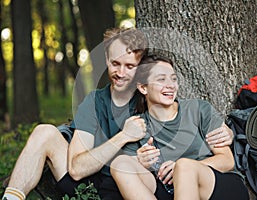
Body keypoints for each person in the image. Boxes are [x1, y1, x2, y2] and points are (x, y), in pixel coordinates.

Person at [2, 28, 233, 200]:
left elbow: (181, 117)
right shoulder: (94, 102)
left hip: (136, 185)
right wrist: (123, 136)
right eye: (115, 64)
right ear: (106, 61)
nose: (121, 73)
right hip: (91, 183)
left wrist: (223, 132)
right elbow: (76, 169)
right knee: (44, 132)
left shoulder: (151, 97)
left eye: (130, 66)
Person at [110, 55, 249, 200]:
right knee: (120, 164)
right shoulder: (138, 125)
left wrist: (180, 169)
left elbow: (227, 161)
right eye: (161, 79)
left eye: (173, 79)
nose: (171, 85)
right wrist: (140, 161)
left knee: (184, 167)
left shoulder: (198, 109)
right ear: (143, 87)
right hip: (170, 191)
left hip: (216, 186)